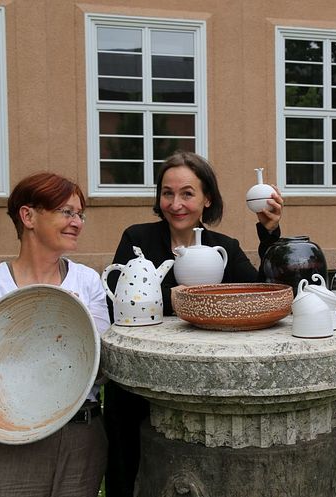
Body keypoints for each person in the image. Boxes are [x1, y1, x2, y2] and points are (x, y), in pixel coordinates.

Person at [104, 150, 284, 497]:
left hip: (199, 388)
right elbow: (122, 296)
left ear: (207, 199)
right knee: (129, 477)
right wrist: (195, 299)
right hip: (137, 388)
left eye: (187, 193)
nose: (176, 203)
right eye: (167, 193)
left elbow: (260, 291)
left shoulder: (222, 248)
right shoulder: (137, 239)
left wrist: (269, 233)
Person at [0, 172, 110, 497]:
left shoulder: (87, 282)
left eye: (80, 214)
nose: (77, 222)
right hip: (11, 441)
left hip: (81, 438)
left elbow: (103, 367)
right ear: (28, 216)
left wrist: (75, 329)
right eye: (66, 212)